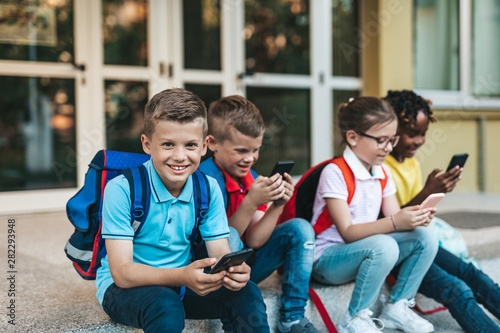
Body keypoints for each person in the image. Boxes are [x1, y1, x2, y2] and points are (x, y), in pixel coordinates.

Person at [95, 88, 270, 333]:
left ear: (204, 146)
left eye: (190, 145)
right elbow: (123, 273)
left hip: (184, 280)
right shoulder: (122, 189)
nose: (179, 156)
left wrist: (235, 272)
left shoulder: (207, 189)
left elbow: (220, 253)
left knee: (246, 290)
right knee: (165, 304)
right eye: (168, 144)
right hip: (125, 289)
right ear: (147, 144)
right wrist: (182, 276)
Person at [310, 96, 439, 333]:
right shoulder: (335, 172)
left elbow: (395, 220)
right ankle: (353, 318)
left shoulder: (382, 171)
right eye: (381, 140)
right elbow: (348, 233)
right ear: (353, 137)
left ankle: (397, 307)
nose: (389, 147)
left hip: (366, 252)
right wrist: (394, 221)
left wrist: (414, 219)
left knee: (425, 237)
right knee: (384, 245)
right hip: (327, 260)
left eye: (393, 140)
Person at [199, 95, 319, 333]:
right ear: (212, 143)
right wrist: (250, 202)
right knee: (230, 235)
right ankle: (232, 315)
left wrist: (277, 205)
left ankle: (292, 318)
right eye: (241, 150)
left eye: (256, 150)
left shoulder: (250, 177)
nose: (250, 158)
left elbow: (254, 240)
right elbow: (221, 239)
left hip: (243, 269)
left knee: (300, 228)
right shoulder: (204, 179)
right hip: (208, 270)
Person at [384, 89, 500, 333]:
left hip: (419, 241)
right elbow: (389, 222)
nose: (419, 140)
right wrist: (428, 191)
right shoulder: (382, 166)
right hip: (398, 250)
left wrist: (435, 193)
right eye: (411, 134)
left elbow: (417, 212)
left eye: (423, 134)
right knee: (456, 289)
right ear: (391, 130)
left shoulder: (411, 163)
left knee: (472, 273)